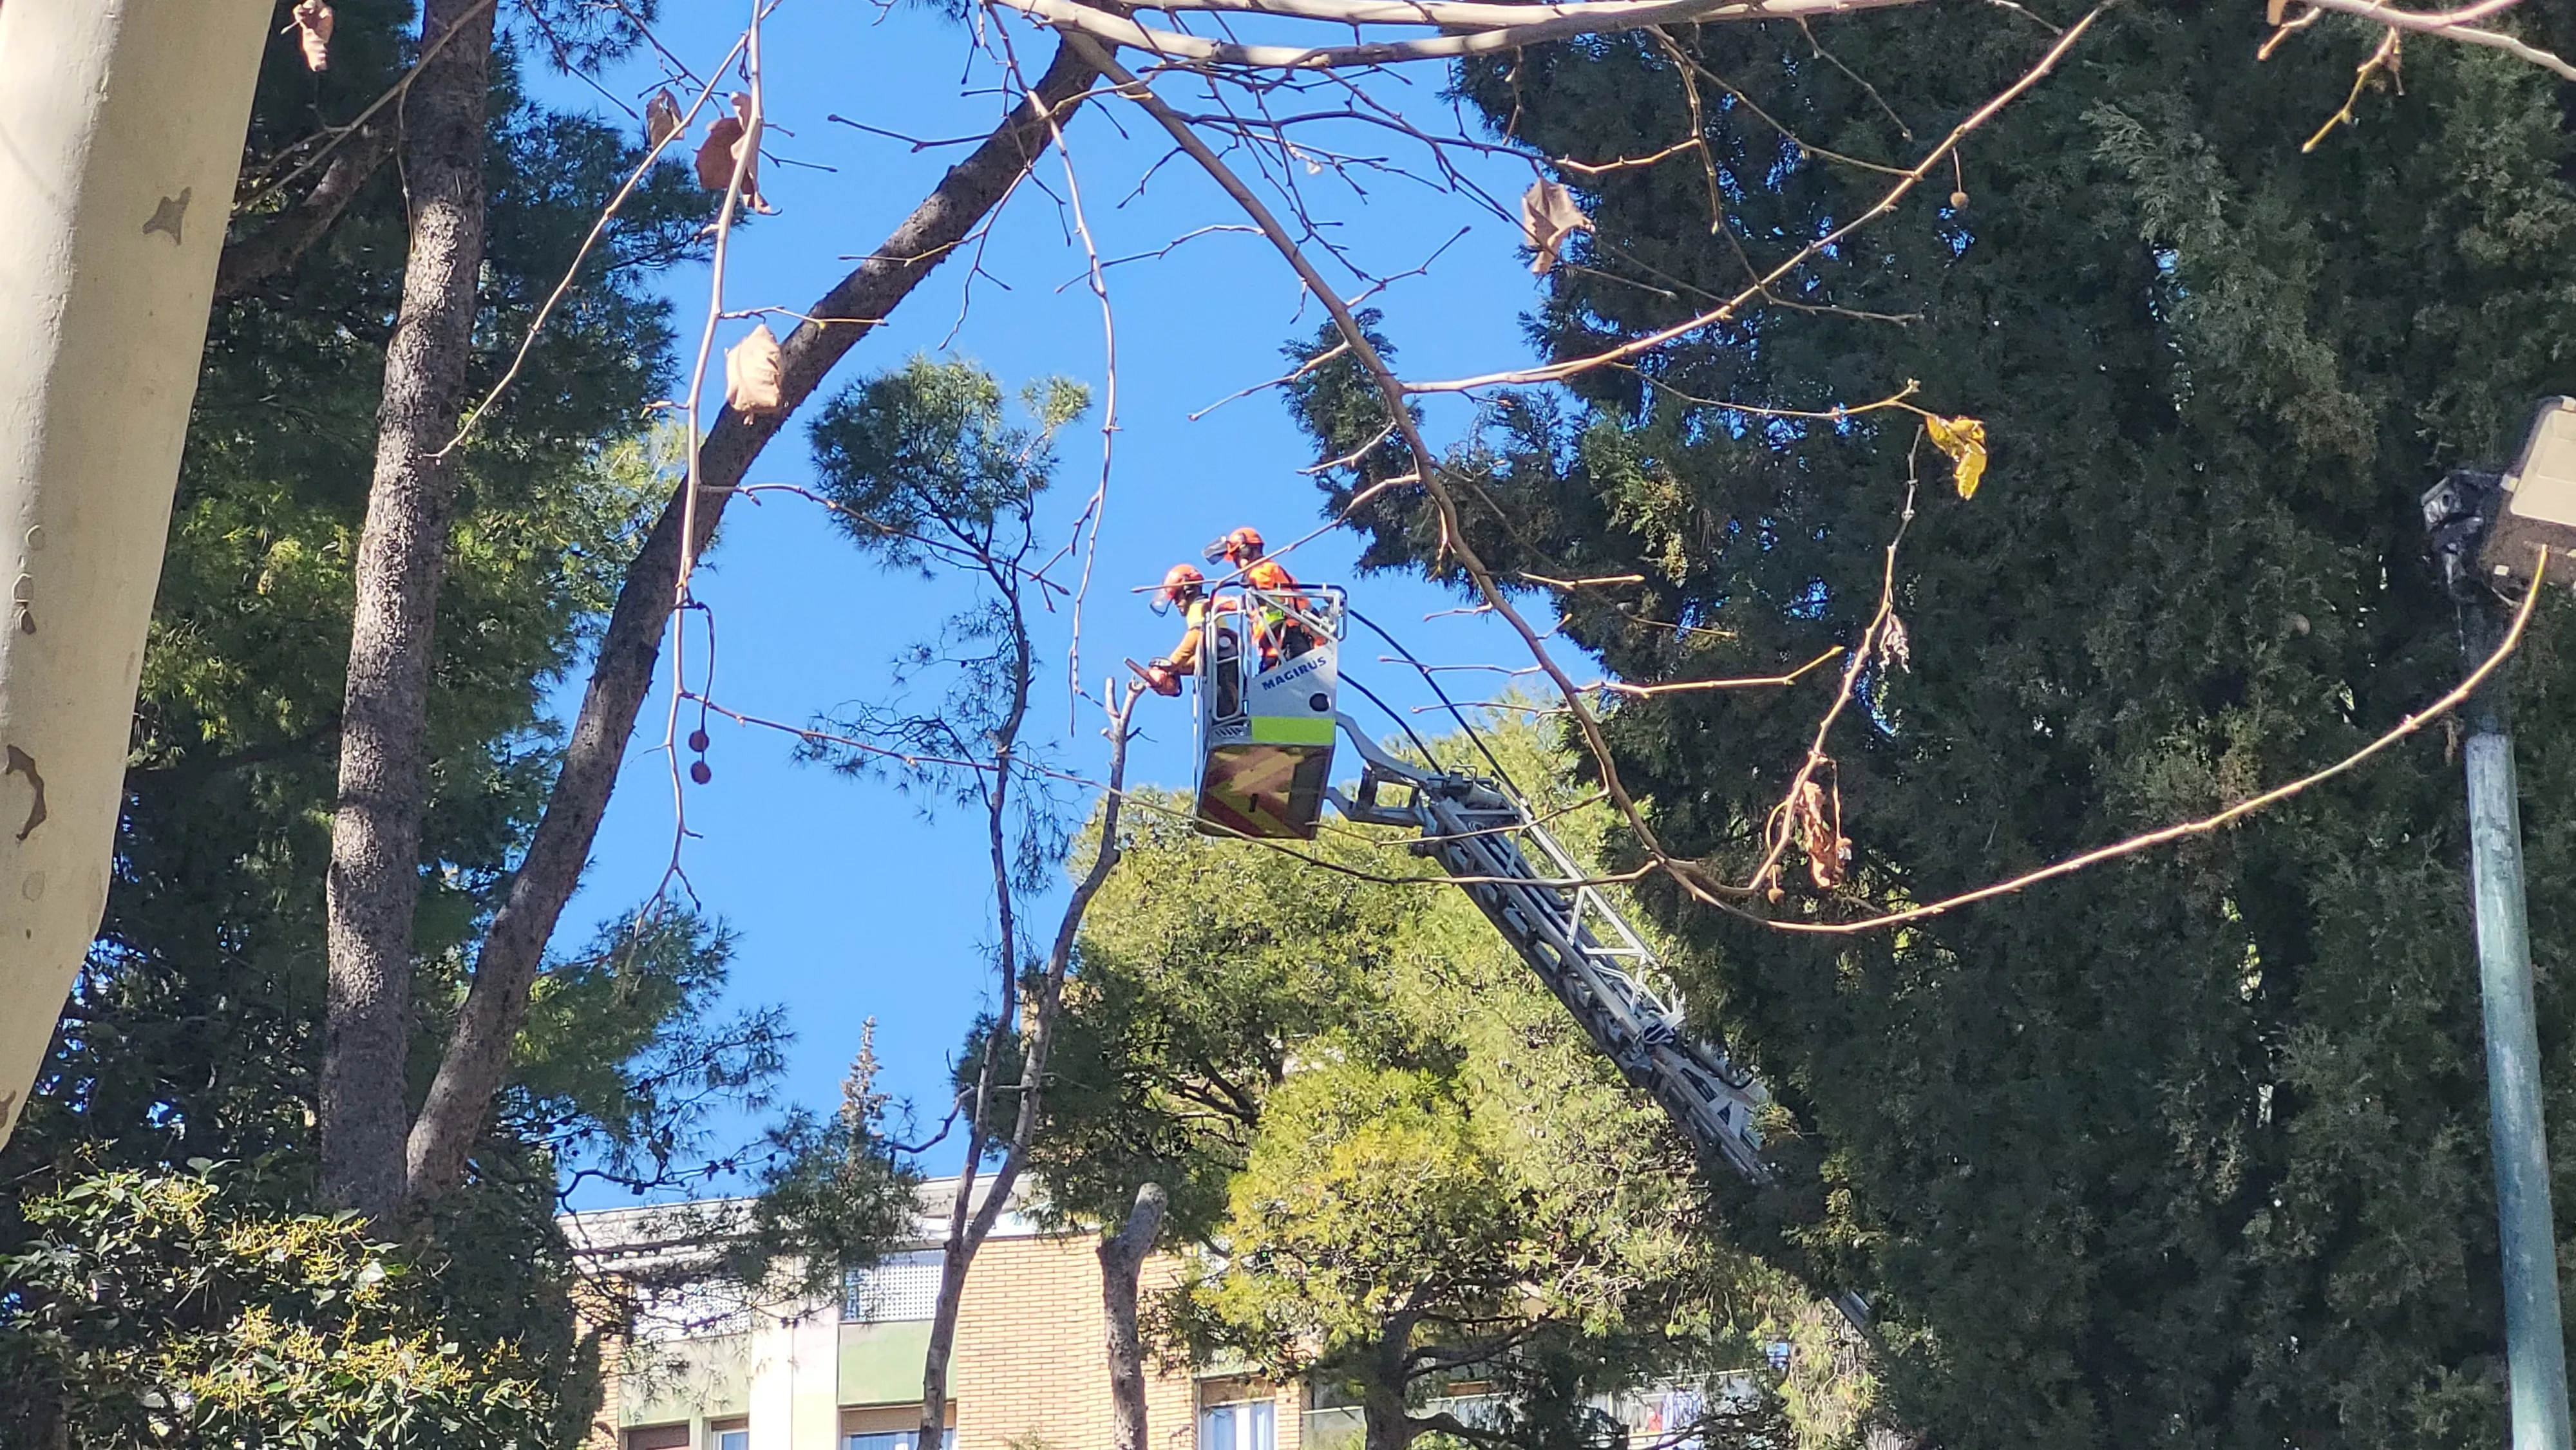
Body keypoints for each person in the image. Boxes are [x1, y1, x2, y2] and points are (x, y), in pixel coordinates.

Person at [1204, 526, 1312, 663]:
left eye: (1237, 557)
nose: (1236, 565)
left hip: (1286, 641)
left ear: (1247, 551)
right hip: (1277, 645)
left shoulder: (1261, 571)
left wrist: (1218, 603)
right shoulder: (1268, 569)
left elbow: (1257, 597)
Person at [1141, 563, 1209, 697]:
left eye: (1177, 597)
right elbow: (1203, 657)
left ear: (1188, 590)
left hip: (1223, 674)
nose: (1176, 604)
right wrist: (1176, 671)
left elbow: (1196, 636)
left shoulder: (1199, 608)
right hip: (1221, 671)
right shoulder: (1207, 610)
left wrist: (1170, 664)